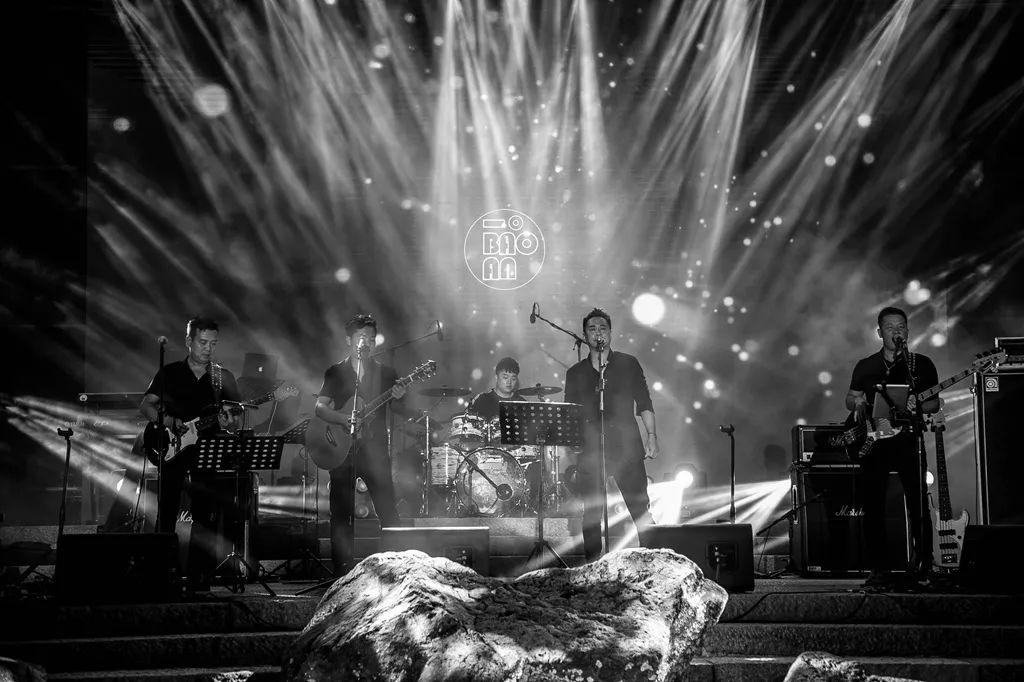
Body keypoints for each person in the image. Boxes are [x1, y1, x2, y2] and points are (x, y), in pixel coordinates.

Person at [136, 316, 243, 589]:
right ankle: (162, 575)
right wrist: (168, 421)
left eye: (213, 343)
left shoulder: (223, 377)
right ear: (189, 341)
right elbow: (146, 406)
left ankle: (199, 578)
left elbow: (235, 421)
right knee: (167, 510)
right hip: (172, 447)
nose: (208, 348)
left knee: (205, 514)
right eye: (203, 342)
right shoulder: (170, 372)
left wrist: (229, 424)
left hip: (207, 449)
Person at [846, 306, 939, 589]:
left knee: (918, 504)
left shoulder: (922, 365)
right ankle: (879, 569)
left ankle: (923, 566)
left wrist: (918, 404)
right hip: (874, 441)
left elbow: (934, 403)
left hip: (909, 440)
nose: (896, 332)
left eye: (901, 327)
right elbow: (850, 398)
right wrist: (858, 402)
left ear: (908, 331)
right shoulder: (866, 365)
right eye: (890, 327)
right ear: (879, 332)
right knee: (873, 505)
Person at [564, 308, 659, 561]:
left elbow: (644, 401)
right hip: (591, 449)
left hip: (627, 446)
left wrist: (652, 435)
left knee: (640, 508)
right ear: (585, 335)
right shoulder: (575, 373)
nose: (598, 333)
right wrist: (572, 442)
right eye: (592, 329)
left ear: (610, 333)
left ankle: (652, 560)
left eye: (602, 328)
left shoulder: (629, 363)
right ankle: (593, 566)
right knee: (592, 513)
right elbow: (570, 412)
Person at [315, 313, 406, 575]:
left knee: (388, 510)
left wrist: (399, 396)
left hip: (375, 449)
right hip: (342, 449)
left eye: (371, 338)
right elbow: (320, 407)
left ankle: (395, 568)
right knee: (341, 512)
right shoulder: (336, 372)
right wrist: (342, 419)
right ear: (349, 340)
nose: (367, 342)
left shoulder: (386, 373)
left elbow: (398, 408)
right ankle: (342, 571)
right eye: (361, 336)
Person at [466, 356, 527, 421]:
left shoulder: (522, 403)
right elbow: (467, 422)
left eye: (513, 378)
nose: (509, 382)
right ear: (496, 377)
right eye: (505, 377)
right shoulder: (481, 400)